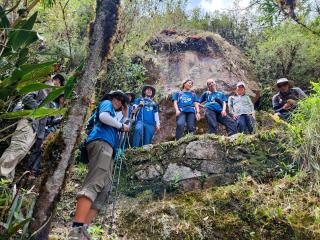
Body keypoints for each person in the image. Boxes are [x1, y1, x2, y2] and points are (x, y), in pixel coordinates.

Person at [68, 90, 130, 239]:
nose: (119, 102)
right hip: (101, 142)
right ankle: (76, 229)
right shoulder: (106, 104)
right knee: (95, 181)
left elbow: (120, 126)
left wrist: (125, 116)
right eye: (117, 98)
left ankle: (84, 228)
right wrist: (121, 126)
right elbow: (103, 117)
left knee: (106, 187)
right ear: (110, 98)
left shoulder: (115, 115)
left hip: (108, 148)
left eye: (122, 101)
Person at [0, 74, 65, 181]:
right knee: (17, 148)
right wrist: (39, 110)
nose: (58, 84)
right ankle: (2, 174)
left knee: (22, 152)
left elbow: (47, 119)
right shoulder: (41, 87)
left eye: (60, 83)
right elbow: (27, 98)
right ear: (53, 80)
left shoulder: (50, 100)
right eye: (57, 81)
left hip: (36, 129)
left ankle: (6, 179)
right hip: (29, 122)